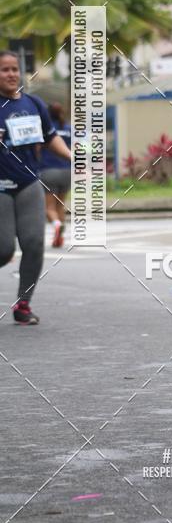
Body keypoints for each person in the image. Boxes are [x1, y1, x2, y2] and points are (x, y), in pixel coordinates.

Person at [0, 52, 72, 324]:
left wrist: (71, 157)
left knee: (33, 244)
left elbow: (50, 137)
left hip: (29, 181)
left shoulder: (33, 103)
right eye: (4, 70)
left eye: (14, 69)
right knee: (4, 249)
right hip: (1, 185)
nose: (11, 74)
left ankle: (23, 305)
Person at [39, 102, 72, 248]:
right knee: (60, 205)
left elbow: (37, 148)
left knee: (49, 208)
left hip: (48, 171)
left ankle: (56, 225)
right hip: (67, 171)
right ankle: (60, 237)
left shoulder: (45, 129)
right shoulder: (68, 129)